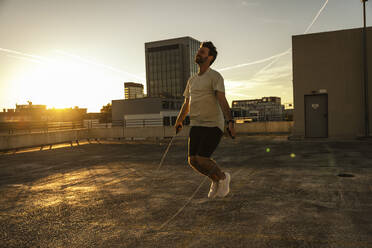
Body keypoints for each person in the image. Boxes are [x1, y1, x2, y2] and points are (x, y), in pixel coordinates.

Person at [175, 41, 236, 198]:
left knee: (202, 158)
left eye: (202, 52)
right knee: (193, 161)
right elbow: (186, 104)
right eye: (199, 51)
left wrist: (230, 121)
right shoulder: (192, 80)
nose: (198, 53)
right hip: (196, 124)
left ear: (210, 58)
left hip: (213, 124)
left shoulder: (215, 77)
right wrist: (179, 120)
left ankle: (223, 177)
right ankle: (215, 180)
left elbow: (222, 100)